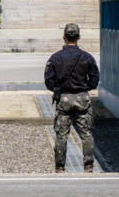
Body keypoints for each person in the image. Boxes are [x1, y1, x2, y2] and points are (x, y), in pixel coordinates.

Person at [44, 23, 99, 173]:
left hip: (64, 99)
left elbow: (48, 81)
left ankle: (60, 167)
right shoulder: (87, 57)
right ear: (79, 37)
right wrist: (84, 87)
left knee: (61, 135)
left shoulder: (55, 58)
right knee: (86, 133)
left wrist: (58, 88)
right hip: (82, 98)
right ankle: (88, 166)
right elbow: (94, 80)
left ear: (64, 37)